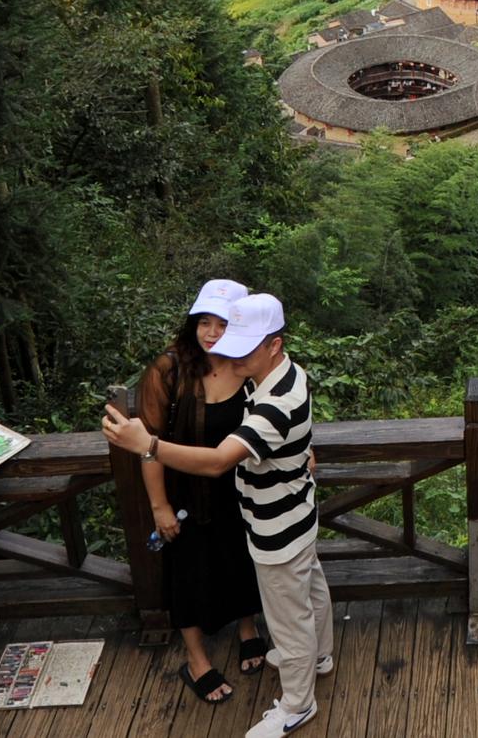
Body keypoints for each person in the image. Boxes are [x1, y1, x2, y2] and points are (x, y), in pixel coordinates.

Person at [105, 293, 329, 738]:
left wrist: (145, 444)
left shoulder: (273, 404)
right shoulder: (285, 376)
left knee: (289, 619)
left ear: (274, 345)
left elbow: (216, 462)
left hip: (276, 527)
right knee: (312, 588)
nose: (232, 352)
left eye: (245, 344)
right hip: (297, 511)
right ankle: (319, 656)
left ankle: (297, 705)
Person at [137, 279, 268, 704]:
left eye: (223, 323)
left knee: (241, 561)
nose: (211, 332)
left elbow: (277, 411)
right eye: (203, 322)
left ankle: (248, 628)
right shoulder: (170, 369)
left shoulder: (248, 363)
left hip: (242, 487)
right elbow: (148, 443)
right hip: (185, 493)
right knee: (188, 575)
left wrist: (305, 450)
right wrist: (160, 506)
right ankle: (196, 660)